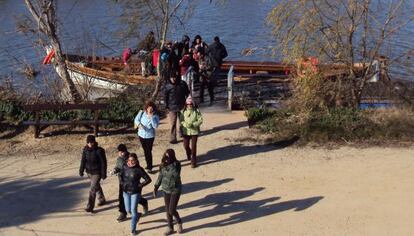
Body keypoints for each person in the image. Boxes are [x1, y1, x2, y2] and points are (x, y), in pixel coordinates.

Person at [112, 144, 149, 222]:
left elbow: (136, 169)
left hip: (132, 183)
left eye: (122, 152)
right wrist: (115, 170)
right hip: (122, 182)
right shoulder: (119, 159)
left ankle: (143, 202)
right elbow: (118, 167)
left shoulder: (130, 158)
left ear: (125, 151)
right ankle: (123, 213)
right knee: (121, 198)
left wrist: (140, 185)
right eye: (119, 152)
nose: (120, 153)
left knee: (134, 198)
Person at [153, 149, 183, 235]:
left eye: (168, 156)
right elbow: (160, 176)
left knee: (171, 210)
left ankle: (179, 222)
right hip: (166, 189)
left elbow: (177, 175)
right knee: (167, 210)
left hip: (175, 189)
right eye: (165, 156)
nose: (166, 158)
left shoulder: (177, 164)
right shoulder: (163, 165)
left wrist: (170, 164)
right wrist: (156, 187)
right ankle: (170, 227)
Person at [121, 153, 152, 235]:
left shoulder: (139, 169)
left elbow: (148, 179)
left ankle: (133, 229)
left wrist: (140, 186)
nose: (130, 162)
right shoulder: (124, 166)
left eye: (132, 160)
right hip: (126, 191)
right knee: (128, 210)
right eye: (129, 160)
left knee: (133, 210)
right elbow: (121, 175)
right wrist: (122, 183)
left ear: (136, 160)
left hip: (135, 192)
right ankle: (138, 215)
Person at [79, 135, 107, 213]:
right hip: (89, 172)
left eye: (91, 142)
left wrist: (103, 173)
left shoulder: (99, 150)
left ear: (94, 142)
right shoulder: (85, 150)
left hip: (97, 172)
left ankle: (90, 206)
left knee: (92, 189)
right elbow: (83, 160)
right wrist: (81, 170)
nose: (90, 144)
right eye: (88, 142)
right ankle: (102, 199)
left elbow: (103, 163)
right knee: (96, 186)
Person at [134, 100, 160, 173]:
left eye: (151, 109)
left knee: (148, 151)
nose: (149, 110)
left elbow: (155, 126)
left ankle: (149, 166)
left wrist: (151, 118)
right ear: (146, 108)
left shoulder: (156, 116)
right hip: (141, 134)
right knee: (145, 150)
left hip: (150, 136)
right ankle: (148, 163)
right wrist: (139, 125)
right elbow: (136, 119)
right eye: (148, 108)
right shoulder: (141, 113)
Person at [164, 75, 190, 144]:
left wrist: (188, 102)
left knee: (182, 122)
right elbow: (165, 97)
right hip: (172, 107)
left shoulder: (182, 84)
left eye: (174, 77)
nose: (173, 79)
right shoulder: (168, 86)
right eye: (171, 77)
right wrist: (166, 106)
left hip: (182, 106)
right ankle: (173, 138)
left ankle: (182, 133)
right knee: (173, 123)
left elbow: (187, 93)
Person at [179, 96, 203, 168]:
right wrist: (186, 124)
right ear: (186, 104)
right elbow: (181, 120)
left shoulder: (197, 111)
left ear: (193, 104)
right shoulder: (182, 111)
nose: (190, 105)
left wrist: (194, 124)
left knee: (194, 147)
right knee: (186, 146)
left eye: (191, 104)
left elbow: (200, 120)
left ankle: (193, 161)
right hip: (186, 132)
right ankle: (188, 153)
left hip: (194, 131)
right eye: (188, 104)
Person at [205, 36, 228, 106]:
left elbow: (205, 52)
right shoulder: (222, 46)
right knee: (216, 74)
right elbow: (226, 54)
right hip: (218, 63)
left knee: (211, 76)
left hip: (212, 63)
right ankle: (215, 83)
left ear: (214, 40)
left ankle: (212, 85)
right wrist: (221, 57)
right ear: (219, 40)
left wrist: (209, 58)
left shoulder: (211, 46)